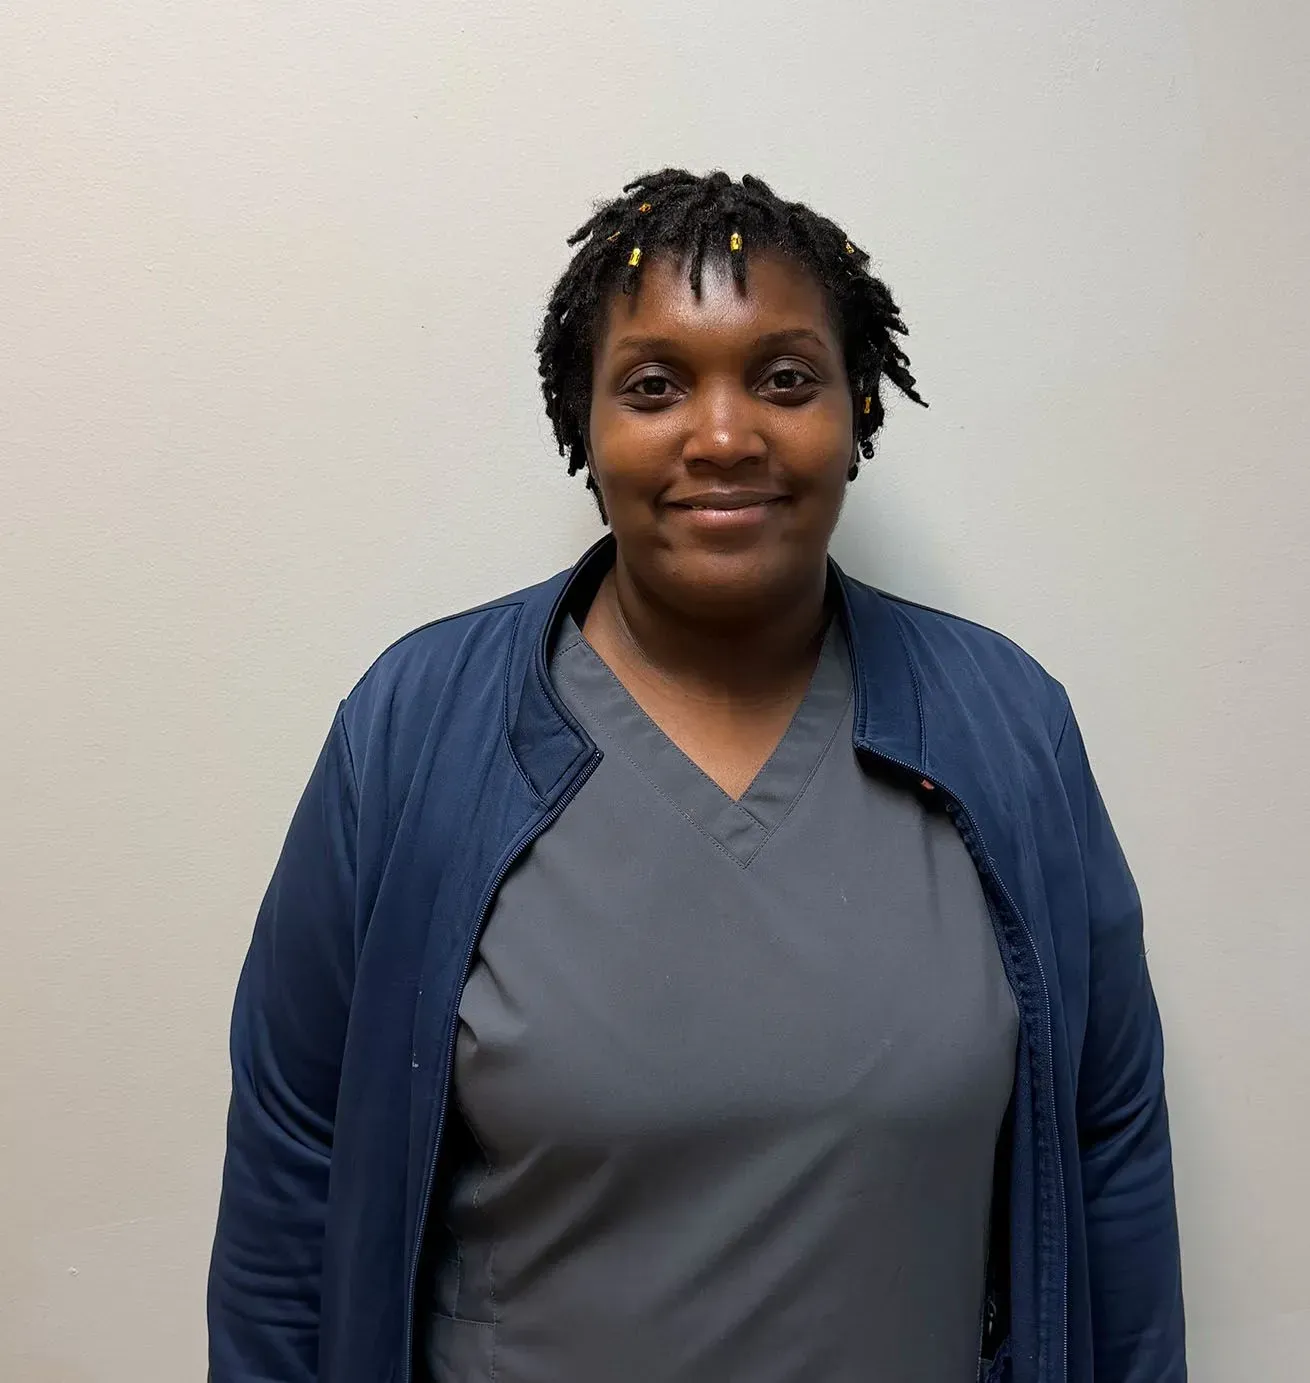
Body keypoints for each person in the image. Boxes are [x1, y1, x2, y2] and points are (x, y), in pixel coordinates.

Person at [207, 168, 1185, 1383]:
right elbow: (295, 1175)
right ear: (585, 425)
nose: (724, 436)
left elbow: (1110, 1157)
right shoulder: (412, 737)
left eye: (784, 378)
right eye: (656, 385)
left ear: (858, 406)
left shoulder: (1007, 731)